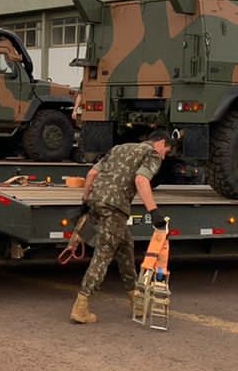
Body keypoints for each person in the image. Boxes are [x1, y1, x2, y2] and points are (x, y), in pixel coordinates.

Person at [70, 130, 173, 324]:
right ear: (160, 143)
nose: (164, 156)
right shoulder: (151, 154)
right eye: (166, 151)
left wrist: (85, 200)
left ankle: (136, 299)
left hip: (96, 201)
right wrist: (154, 212)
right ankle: (81, 305)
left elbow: (92, 173)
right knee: (103, 254)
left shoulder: (119, 148)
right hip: (115, 208)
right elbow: (141, 180)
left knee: (126, 246)